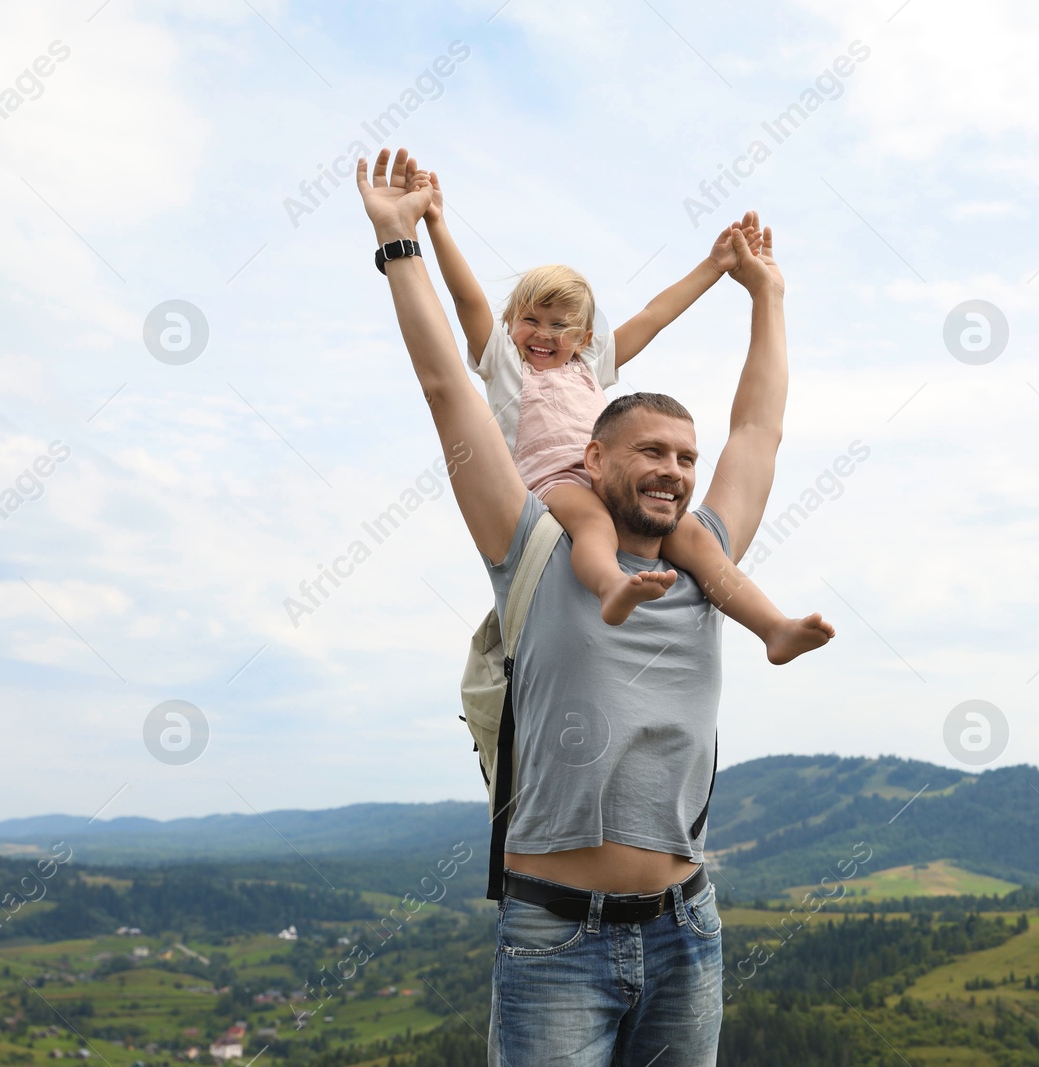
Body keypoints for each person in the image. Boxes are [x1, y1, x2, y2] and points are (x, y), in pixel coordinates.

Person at [355, 147, 826, 1065]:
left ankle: (774, 632)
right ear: (596, 461)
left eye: (686, 458)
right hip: (554, 939)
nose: (674, 470)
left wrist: (765, 292)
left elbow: (760, 428)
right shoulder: (534, 542)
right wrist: (400, 240)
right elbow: (449, 385)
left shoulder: (707, 564)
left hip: (689, 930)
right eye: (651, 451)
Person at [419, 167, 832, 663]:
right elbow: (468, 300)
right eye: (530, 320)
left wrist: (713, 265)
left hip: (612, 479)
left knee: (697, 540)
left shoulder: (591, 365)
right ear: (510, 325)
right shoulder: (507, 365)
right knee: (595, 527)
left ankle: (772, 627)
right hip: (557, 483)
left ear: (585, 338)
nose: (544, 335)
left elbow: (654, 316)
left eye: (560, 325)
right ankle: (612, 585)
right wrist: (437, 225)